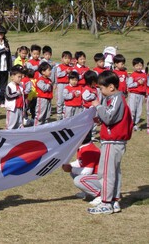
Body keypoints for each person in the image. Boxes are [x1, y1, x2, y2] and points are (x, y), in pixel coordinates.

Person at [88, 70, 133, 215]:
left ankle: (106, 202)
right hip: (115, 142)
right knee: (114, 172)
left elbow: (109, 116)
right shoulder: (116, 99)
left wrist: (97, 106)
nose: (100, 91)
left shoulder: (116, 99)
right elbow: (110, 119)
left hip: (112, 142)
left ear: (111, 87)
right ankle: (114, 200)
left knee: (106, 173)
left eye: (101, 88)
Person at [62, 133, 101, 200]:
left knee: (79, 180)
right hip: (96, 177)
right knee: (74, 173)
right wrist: (69, 165)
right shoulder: (84, 147)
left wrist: (70, 169)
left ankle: (100, 196)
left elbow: (88, 171)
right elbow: (80, 162)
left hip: (101, 179)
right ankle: (88, 192)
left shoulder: (88, 150)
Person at [126, 57, 146, 131]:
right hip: (133, 94)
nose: (139, 67)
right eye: (137, 66)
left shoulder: (144, 75)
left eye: (140, 65)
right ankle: (129, 124)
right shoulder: (132, 75)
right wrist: (137, 83)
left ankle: (135, 124)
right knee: (132, 110)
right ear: (134, 66)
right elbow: (129, 85)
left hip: (141, 95)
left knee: (139, 110)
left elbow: (145, 86)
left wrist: (146, 94)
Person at [4, 65, 25, 129]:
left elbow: (23, 96)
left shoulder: (21, 85)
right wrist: (17, 93)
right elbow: (8, 96)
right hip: (12, 108)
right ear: (12, 77)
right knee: (11, 123)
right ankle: (8, 134)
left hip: (20, 108)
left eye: (21, 77)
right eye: (18, 77)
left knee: (19, 122)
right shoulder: (9, 86)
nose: (20, 78)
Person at [55, 51, 73, 120]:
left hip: (68, 84)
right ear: (62, 59)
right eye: (65, 58)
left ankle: (64, 114)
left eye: (69, 58)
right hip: (61, 84)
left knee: (67, 99)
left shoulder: (71, 67)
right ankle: (59, 115)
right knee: (60, 99)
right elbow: (58, 75)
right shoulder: (59, 66)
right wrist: (65, 72)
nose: (67, 60)